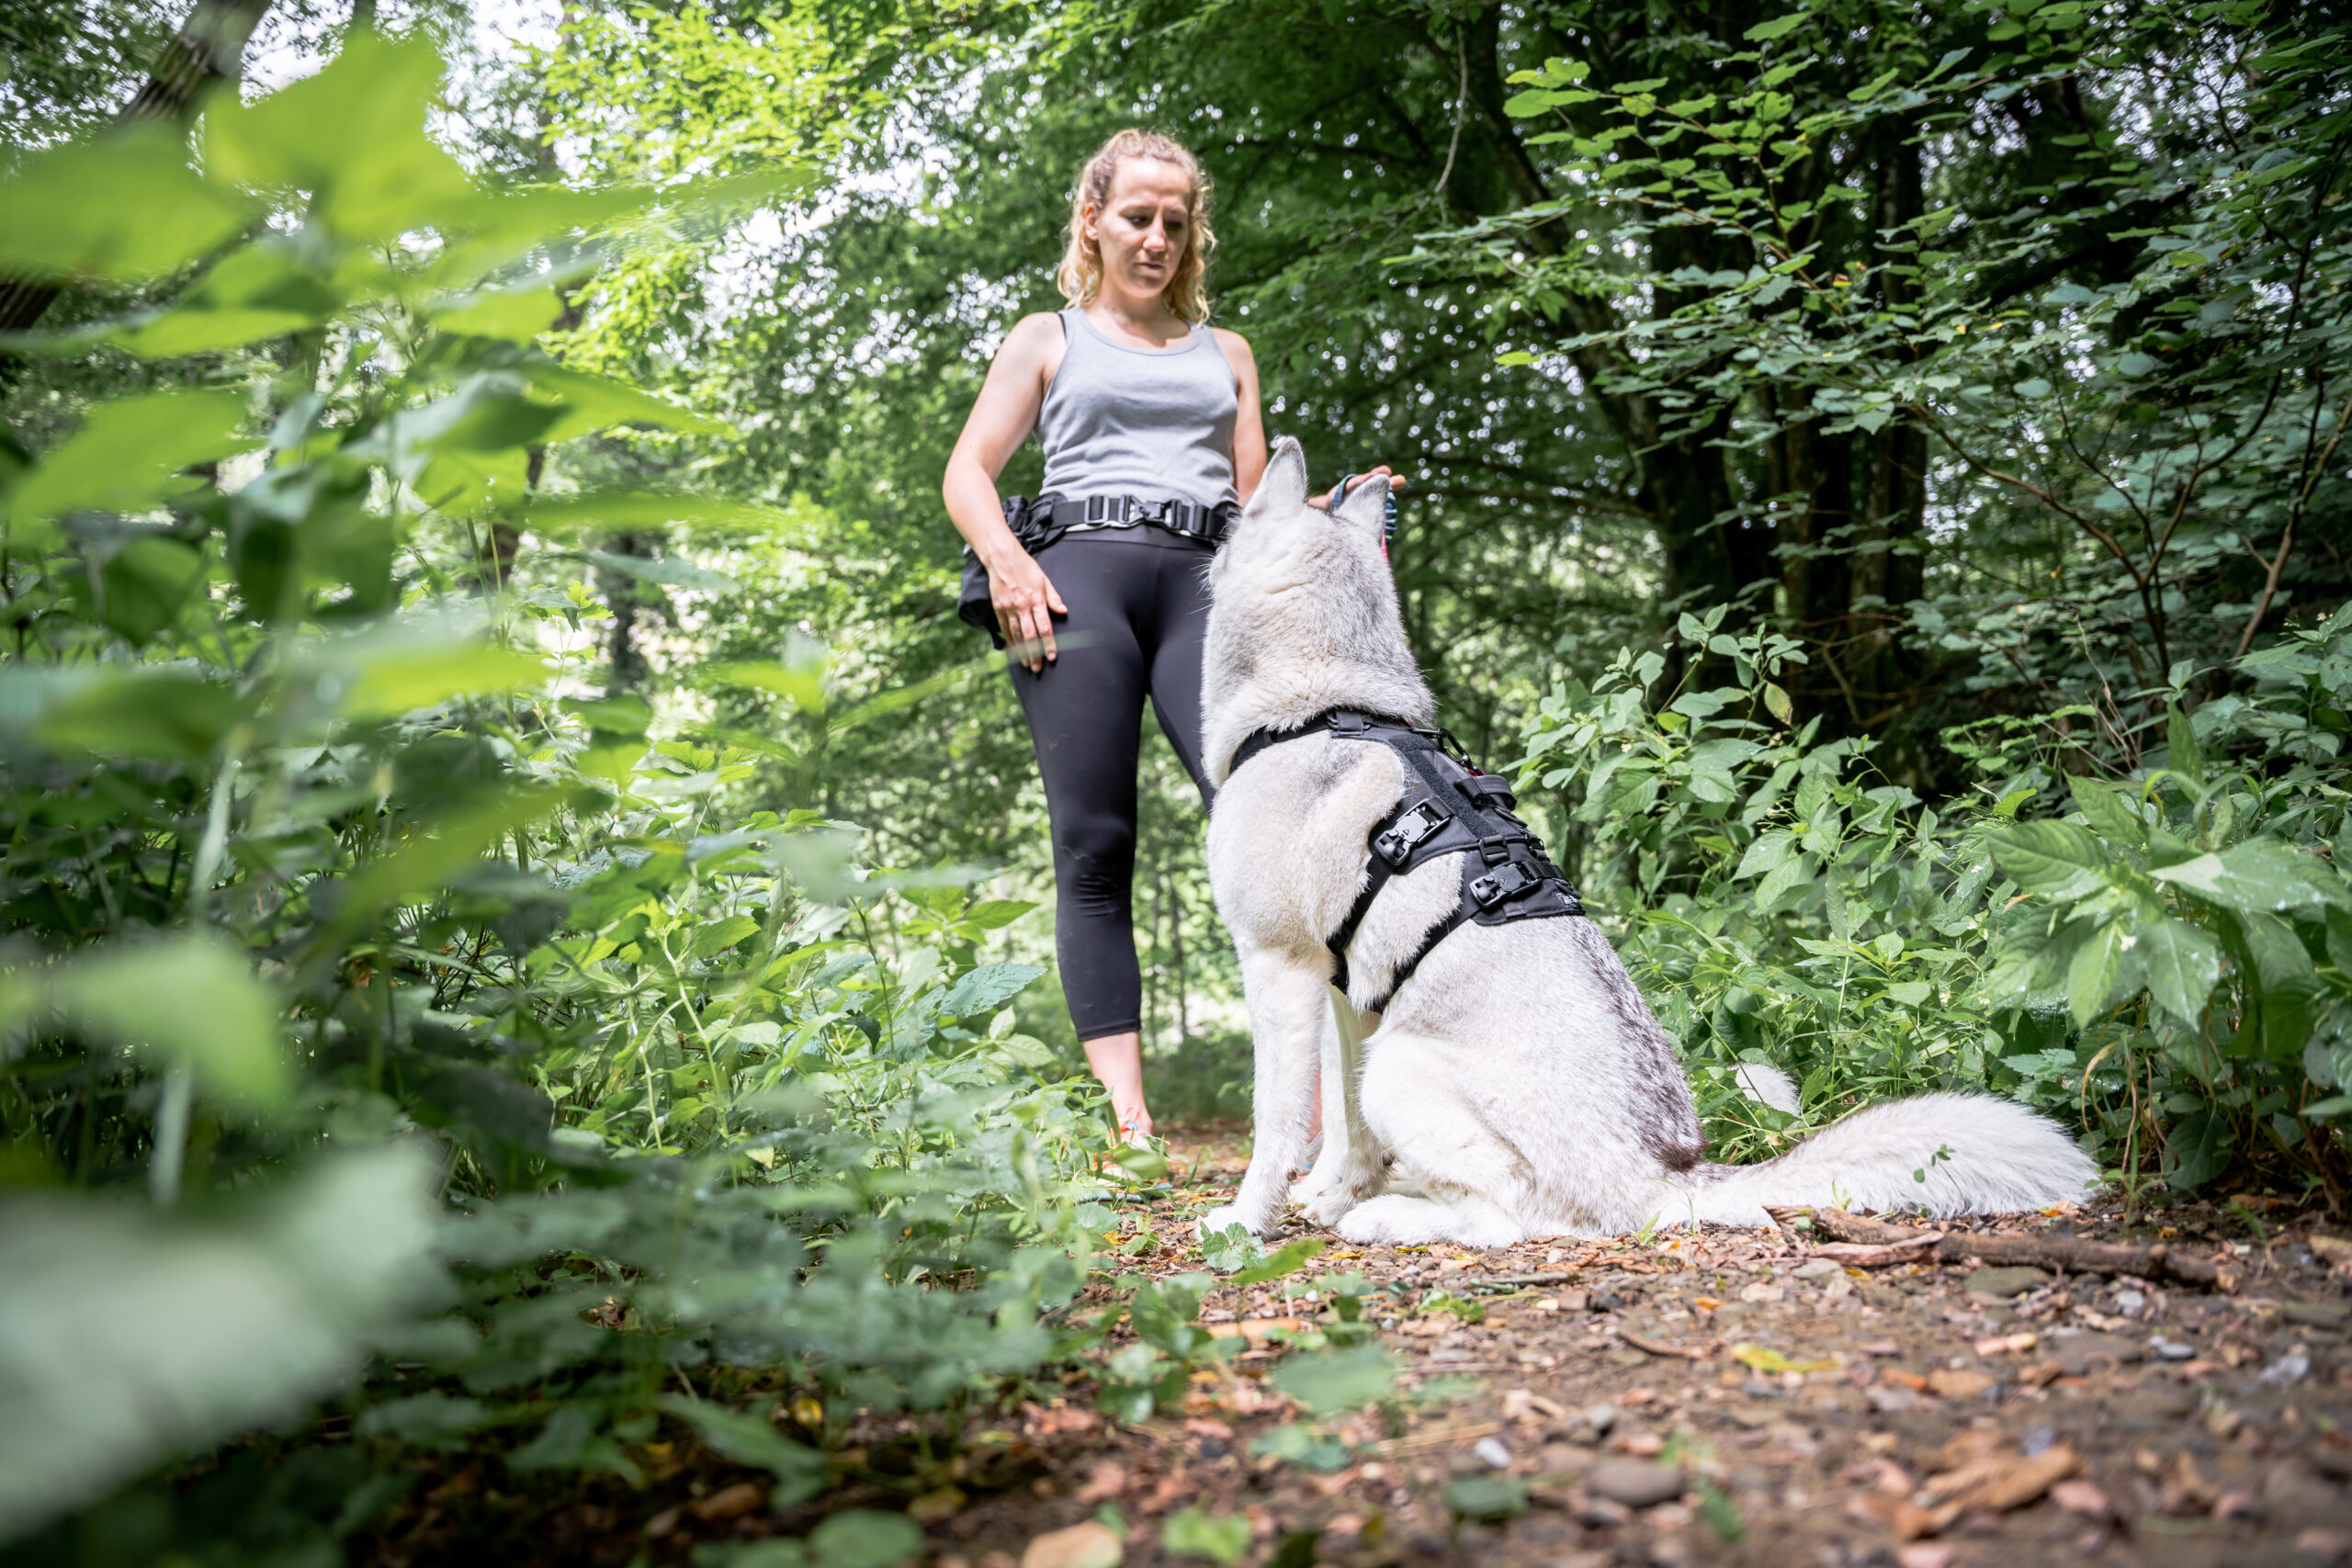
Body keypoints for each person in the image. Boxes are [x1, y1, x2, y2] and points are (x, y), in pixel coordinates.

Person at [942, 129, 1401, 1146]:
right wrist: (1009, 565)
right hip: (1074, 584)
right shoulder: (1047, 338)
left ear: (1192, 237)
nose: (1155, 238)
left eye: (1174, 222)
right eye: (1136, 217)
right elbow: (967, 471)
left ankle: (1328, 1109)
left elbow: (1255, 506)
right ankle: (1131, 1122)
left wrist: (1339, 510)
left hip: (1206, 587)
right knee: (1095, 841)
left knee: (1276, 816)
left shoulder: (1225, 353)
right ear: (1093, 222)